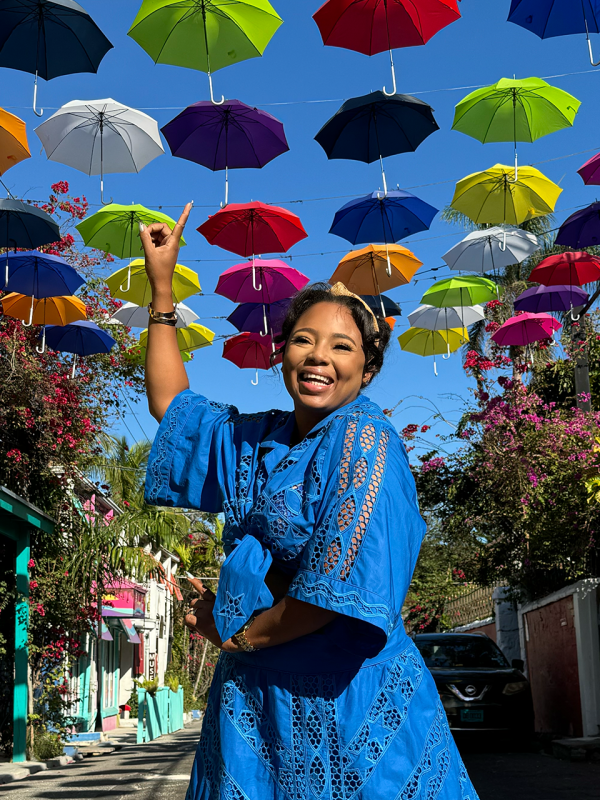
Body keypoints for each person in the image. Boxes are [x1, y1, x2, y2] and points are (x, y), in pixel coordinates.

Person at [141, 205, 480, 800]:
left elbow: (341, 591)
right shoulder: (258, 438)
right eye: (304, 339)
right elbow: (172, 404)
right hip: (255, 708)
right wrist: (163, 287)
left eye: (341, 346)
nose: (319, 356)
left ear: (367, 370)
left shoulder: (364, 442)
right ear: (282, 353)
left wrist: (237, 636)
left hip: (348, 706)